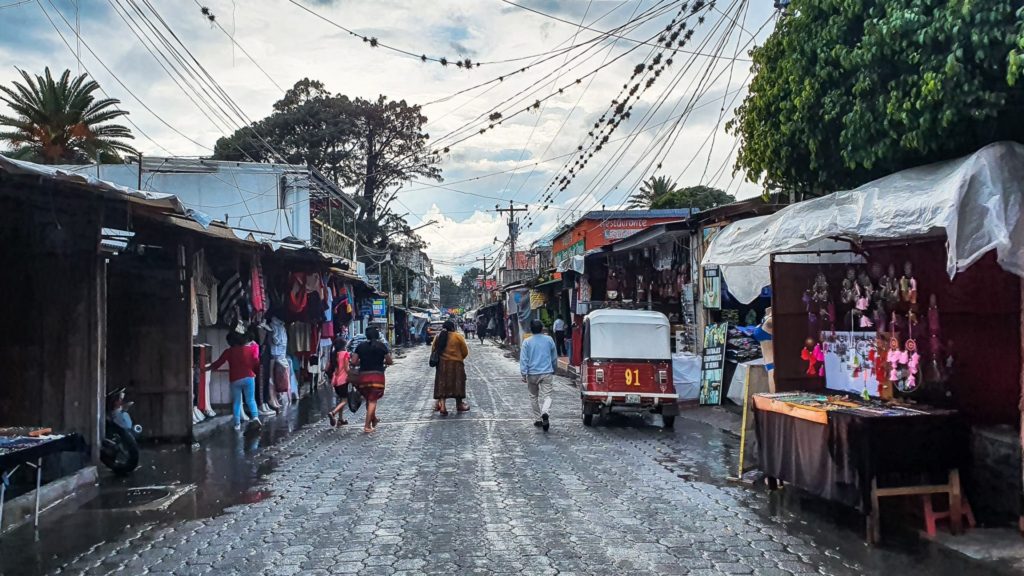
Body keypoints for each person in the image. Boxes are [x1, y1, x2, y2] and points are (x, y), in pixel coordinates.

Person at [208, 331, 262, 431]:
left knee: (236, 402)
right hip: (249, 377)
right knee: (251, 400)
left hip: (235, 379)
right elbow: (256, 360)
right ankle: (255, 417)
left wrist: (207, 368)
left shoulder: (228, 351)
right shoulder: (249, 349)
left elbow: (218, 363)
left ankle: (237, 424)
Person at [351, 326, 393, 433]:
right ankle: (367, 426)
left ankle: (373, 419)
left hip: (363, 377)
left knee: (369, 399)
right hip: (377, 377)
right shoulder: (382, 346)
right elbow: (389, 361)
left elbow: (354, 362)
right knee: (372, 401)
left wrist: (363, 361)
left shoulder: (360, 346)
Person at [520, 319, 558, 432]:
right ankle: (545, 412)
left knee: (533, 396)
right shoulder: (549, 340)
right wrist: (554, 368)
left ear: (531, 329)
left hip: (532, 374)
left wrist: (523, 373)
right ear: (542, 328)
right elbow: (554, 357)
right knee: (547, 396)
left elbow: (524, 359)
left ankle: (538, 419)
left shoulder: (527, 342)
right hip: (546, 372)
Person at [432, 319, 470, 416]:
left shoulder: (438, 337)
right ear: (453, 327)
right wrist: (459, 358)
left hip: (442, 365)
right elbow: (465, 351)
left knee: (442, 384)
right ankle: (459, 404)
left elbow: (433, 350)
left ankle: (443, 406)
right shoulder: (458, 336)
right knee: (458, 384)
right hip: (457, 364)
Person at [326, 336, 351, 427]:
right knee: (345, 400)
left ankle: (340, 419)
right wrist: (353, 374)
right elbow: (347, 369)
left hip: (335, 381)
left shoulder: (333, 354)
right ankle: (333, 413)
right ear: (343, 345)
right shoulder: (345, 354)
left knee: (341, 399)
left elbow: (327, 367)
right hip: (343, 380)